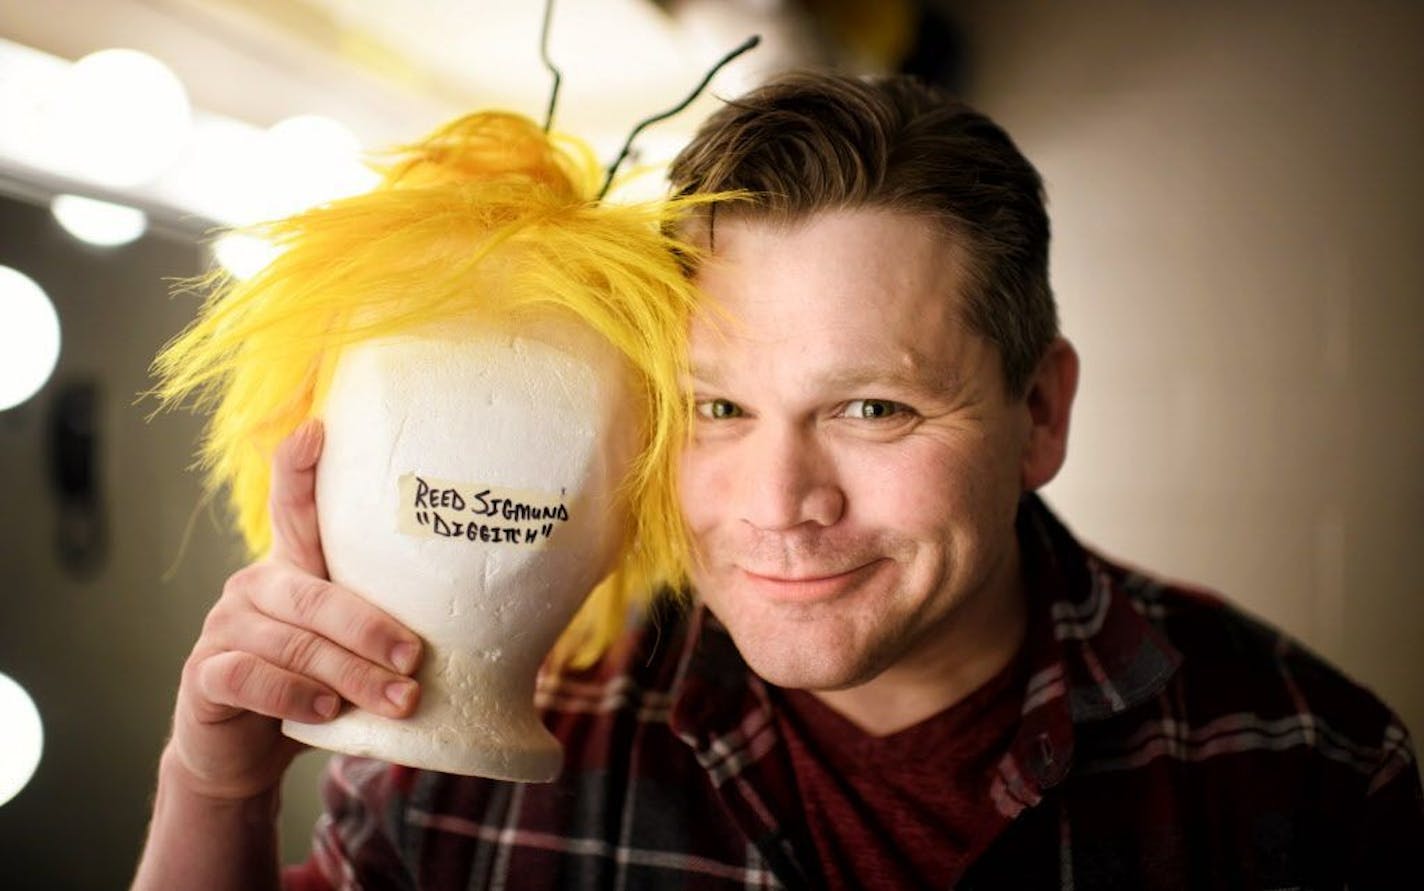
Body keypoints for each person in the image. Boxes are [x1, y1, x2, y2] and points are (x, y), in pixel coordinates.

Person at [133, 72, 1423, 890]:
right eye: (717, 408)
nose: (779, 500)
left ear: (1040, 413)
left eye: (873, 407)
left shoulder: (1302, 763)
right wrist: (217, 788)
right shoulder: (492, 729)